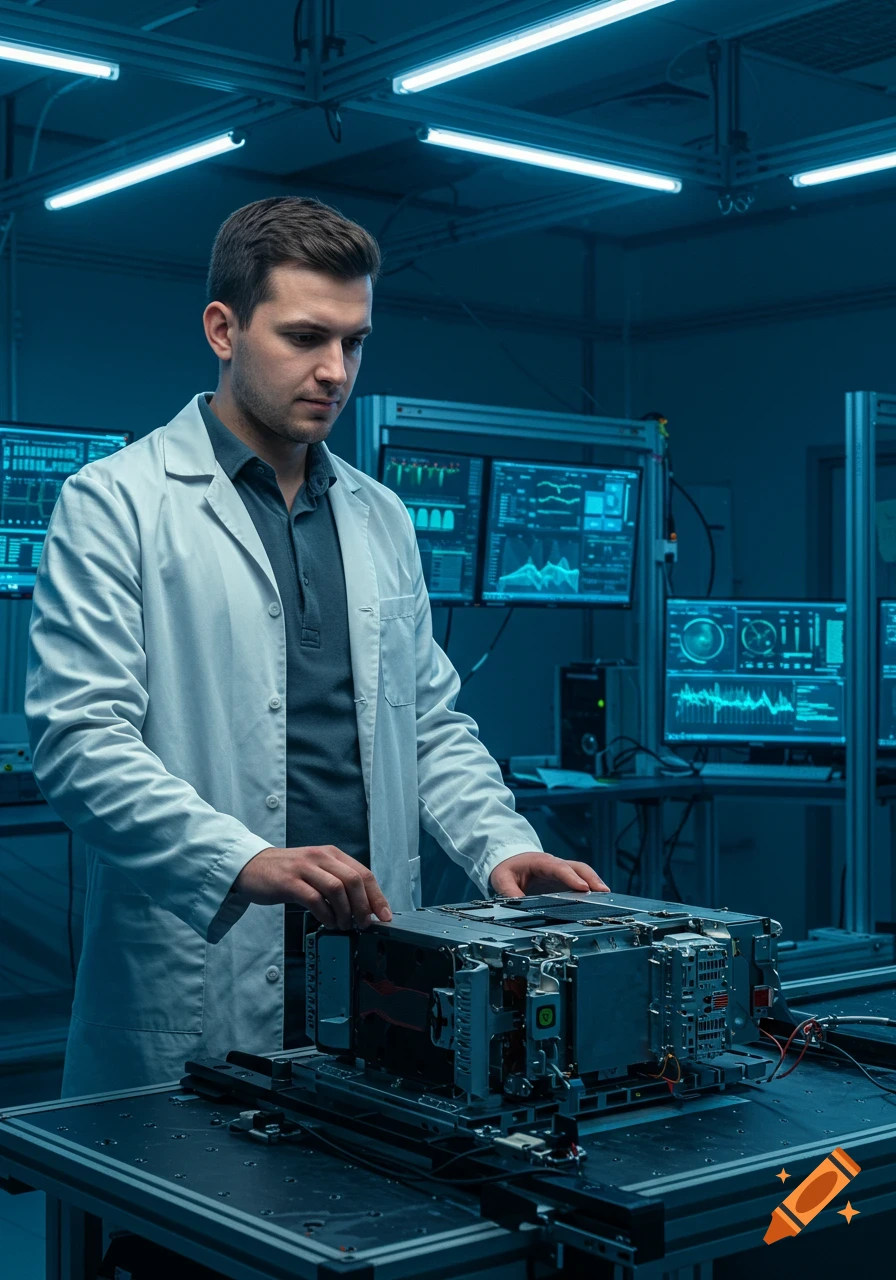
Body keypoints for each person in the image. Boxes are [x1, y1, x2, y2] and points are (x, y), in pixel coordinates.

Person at [25, 196, 608, 1097]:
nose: (334, 370)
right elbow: (79, 743)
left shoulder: (382, 517)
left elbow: (429, 725)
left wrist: (499, 844)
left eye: (354, 341)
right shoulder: (118, 504)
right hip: (202, 965)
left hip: (375, 960)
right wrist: (240, 859)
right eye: (304, 337)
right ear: (224, 328)